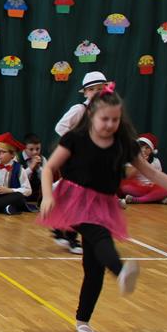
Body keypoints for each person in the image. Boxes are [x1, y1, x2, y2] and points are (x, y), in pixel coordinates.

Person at [38, 86, 167, 332]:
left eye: (115, 119)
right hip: (73, 199)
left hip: (103, 203)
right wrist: (47, 196)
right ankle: (120, 270)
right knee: (99, 234)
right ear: (91, 115)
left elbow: (152, 173)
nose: (110, 125)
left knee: (94, 268)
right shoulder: (75, 139)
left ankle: (83, 321)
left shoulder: (123, 144)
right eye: (105, 119)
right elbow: (49, 169)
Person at [49, 71, 111, 253]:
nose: (98, 92)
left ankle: (61, 228)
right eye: (93, 89)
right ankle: (70, 236)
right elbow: (60, 127)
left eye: (101, 89)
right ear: (85, 92)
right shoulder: (79, 110)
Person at [119, 134, 167, 205]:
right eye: (141, 146)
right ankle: (156, 199)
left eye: (147, 147)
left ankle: (138, 200)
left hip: (152, 188)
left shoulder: (156, 161)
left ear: (151, 150)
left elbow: (159, 177)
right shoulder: (131, 159)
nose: (143, 149)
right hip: (137, 188)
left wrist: (154, 185)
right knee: (125, 188)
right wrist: (141, 163)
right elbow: (129, 175)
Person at [22, 134, 44, 203]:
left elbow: (46, 179)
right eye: (31, 149)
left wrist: (39, 168)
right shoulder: (18, 158)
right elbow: (18, 179)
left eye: (37, 149)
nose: (35, 152)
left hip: (37, 194)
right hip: (22, 193)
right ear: (24, 148)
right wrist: (31, 167)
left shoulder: (43, 159)